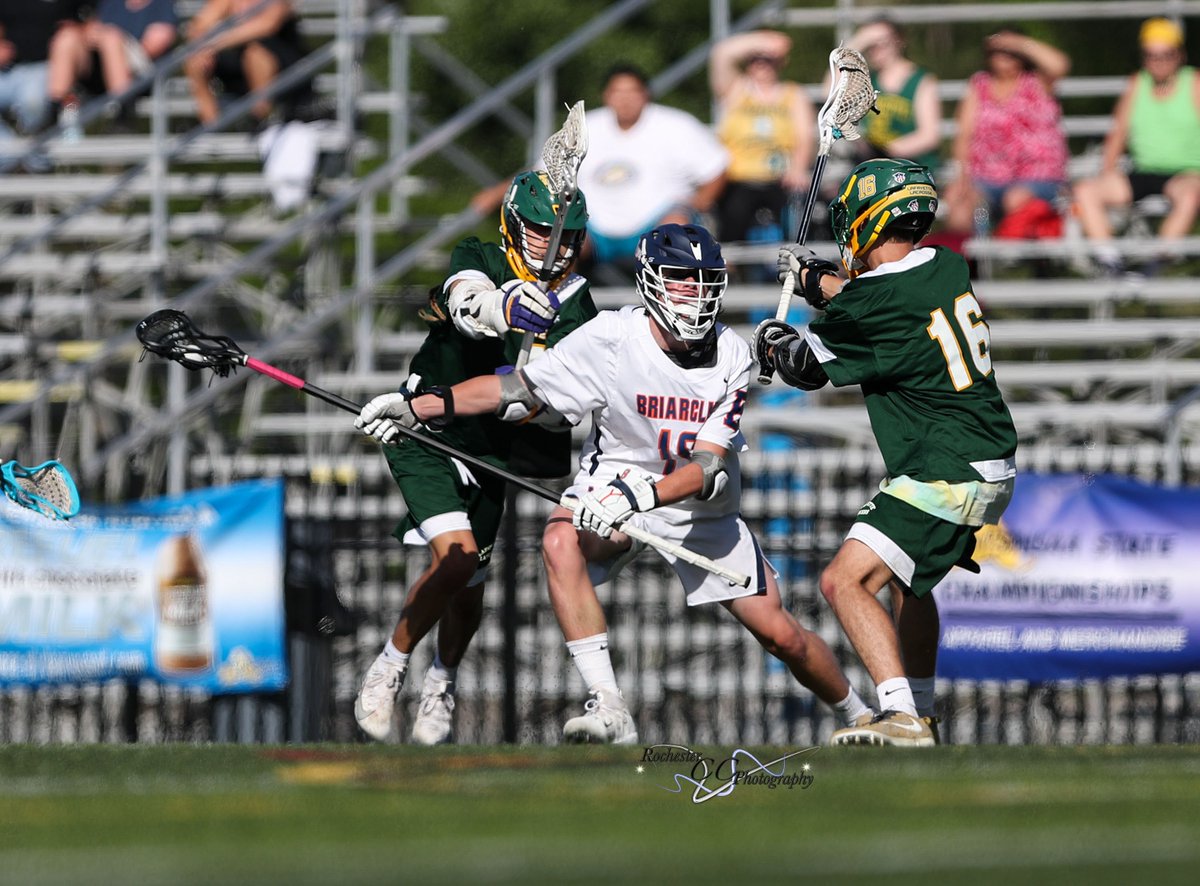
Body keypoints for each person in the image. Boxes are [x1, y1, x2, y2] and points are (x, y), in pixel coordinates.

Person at [358, 223, 874, 745]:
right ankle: (609, 705)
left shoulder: (731, 354)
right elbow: (516, 389)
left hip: (695, 508)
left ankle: (859, 713)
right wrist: (418, 407)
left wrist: (641, 497)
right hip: (614, 479)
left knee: (782, 636)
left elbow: (707, 469)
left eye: (703, 280)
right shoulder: (611, 336)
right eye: (680, 278)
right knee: (559, 540)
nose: (694, 292)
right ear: (650, 280)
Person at [754, 159, 1018, 746]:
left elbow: (803, 366)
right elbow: (874, 296)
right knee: (908, 582)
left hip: (945, 468)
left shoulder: (872, 304)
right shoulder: (946, 265)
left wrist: (772, 342)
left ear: (866, 222)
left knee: (842, 582)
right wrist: (816, 281)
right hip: (987, 458)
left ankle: (899, 713)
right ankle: (923, 711)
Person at [350, 171, 596, 745]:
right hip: (426, 425)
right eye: (541, 232)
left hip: (494, 451)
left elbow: (570, 402)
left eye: (565, 236)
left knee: (470, 585)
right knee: (457, 559)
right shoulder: (481, 255)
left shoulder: (579, 306)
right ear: (513, 224)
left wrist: (538, 402)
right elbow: (465, 301)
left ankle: (442, 680)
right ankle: (389, 667)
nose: (554, 247)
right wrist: (505, 307)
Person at [1072, 18, 1200, 276]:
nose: (1158, 62)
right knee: (1086, 190)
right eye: (1151, 55)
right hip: (1143, 171)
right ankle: (1112, 264)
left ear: (1180, 55)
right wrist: (1108, 171)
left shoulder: (1194, 84)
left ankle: (1152, 266)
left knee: (1189, 195)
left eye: (1166, 55)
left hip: (1186, 173)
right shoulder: (1137, 84)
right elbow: (1118, 135)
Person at [577, 65, 729, 281]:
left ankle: (673, 297)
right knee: (558, 236)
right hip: (592, 228)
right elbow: (545, 173)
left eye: (632, 91)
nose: (625, 99)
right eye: (618, 92)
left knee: (675, 229)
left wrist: (695, 205)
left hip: (656, 224)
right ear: (606, 95)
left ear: (645, 94)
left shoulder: (676, 125)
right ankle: (556, 299)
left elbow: (717, 168)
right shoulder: (584, 127)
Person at [942, 30, 1071, 237]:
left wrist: (1019, 42)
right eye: (997, 51)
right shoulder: (979, 85)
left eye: (1010, 52)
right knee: (958, 203)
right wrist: (961, 178)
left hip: (1039, 175)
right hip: (985, 177)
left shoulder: (1038, 81)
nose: (1003, 56)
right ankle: (964, 256)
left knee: (1016, 198)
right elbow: (964, 135)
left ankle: (1009, 251)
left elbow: (1060, 65)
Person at [708, 30, 814, 245]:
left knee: (800, 217)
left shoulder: (793, 95)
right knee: (733, 216)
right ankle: (730, 260)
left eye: (769, 59)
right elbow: (721, 53)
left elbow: (804, 137)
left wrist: (798, 168)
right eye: (756, 58)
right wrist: (763, 42)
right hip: (739, 178)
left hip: (780, 178)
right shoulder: (736, 90)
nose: (762, 64)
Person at [42, 0, 178, 130]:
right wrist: (91, 34)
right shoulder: (111, 3)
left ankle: (123, 109)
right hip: (101, 66)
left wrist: (116, 43)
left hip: (140, 68)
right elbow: (94, 28)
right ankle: (54, 109)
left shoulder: (161, 4)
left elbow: (157, 43)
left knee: (111, 39)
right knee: (67, 37)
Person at [183, 0, 307, 126]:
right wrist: (202, 50)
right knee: (194, 61)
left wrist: (212, 44)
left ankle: (262, 119)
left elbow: (267, 25)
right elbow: (199, 26)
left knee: (255, 55)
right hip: (240, 65)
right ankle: (210, 125)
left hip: (282, 64)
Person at [846, 18, 941, 173]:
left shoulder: (921, 81)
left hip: (911, 168)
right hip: (874, 167)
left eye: (882, 42)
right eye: (871, 44)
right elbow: (829, 92)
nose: (876, 49)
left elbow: (929, 136)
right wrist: (857, 43)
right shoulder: (866, 80)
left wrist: (884, 152)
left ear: (898, 41)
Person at [0, 0, 88, 155]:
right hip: (7, 70)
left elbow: (90, 20)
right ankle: (11, 158)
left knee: (32, 102)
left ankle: (36, 158)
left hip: (43, 66)